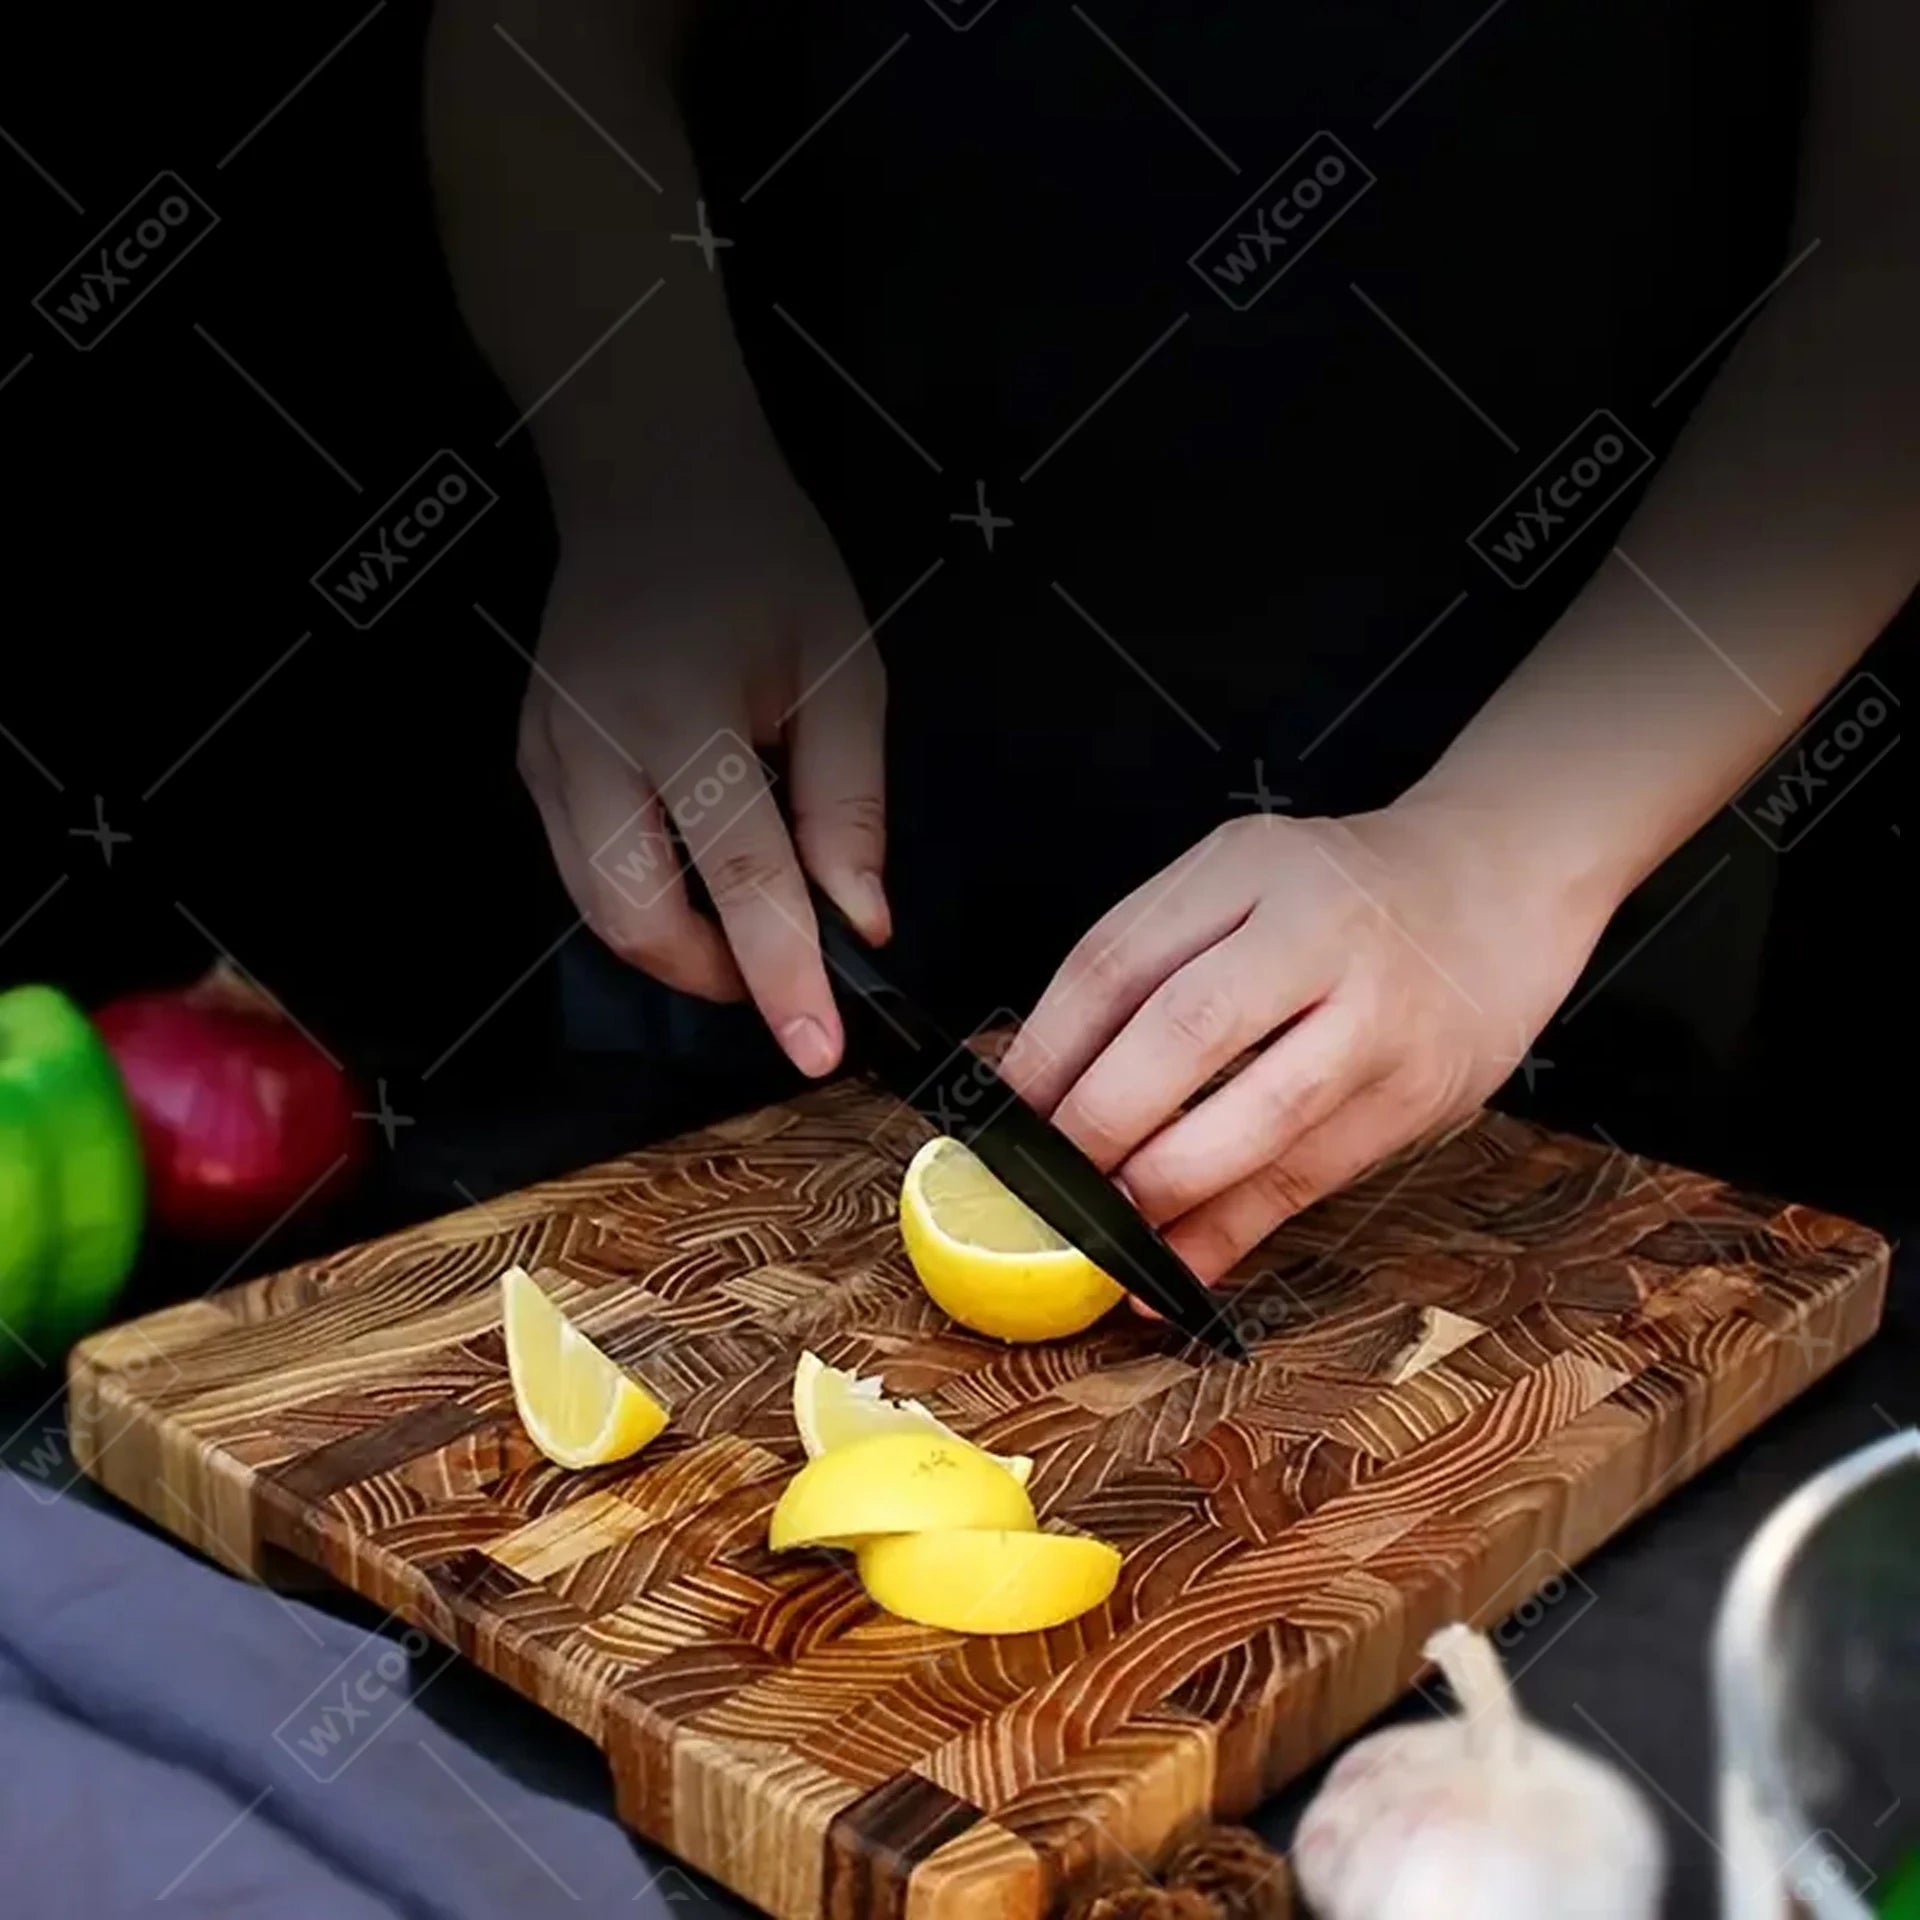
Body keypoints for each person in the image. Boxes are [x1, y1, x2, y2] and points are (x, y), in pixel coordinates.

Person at [426, 0, 1915, 1285]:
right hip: (771, 798)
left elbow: (1891, 261)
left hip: (1541, 908)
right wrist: (656, 473)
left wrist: (1508, 854)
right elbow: (545, 34)